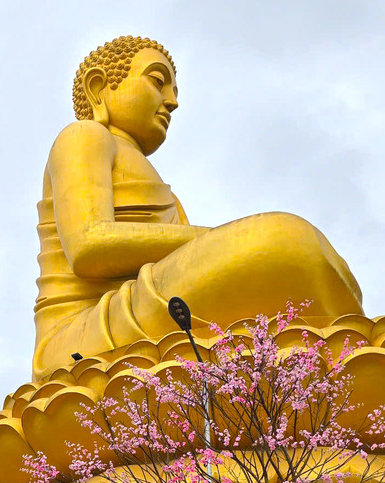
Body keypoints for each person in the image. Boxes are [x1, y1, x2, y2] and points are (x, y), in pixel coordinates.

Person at [31, 35, 362, 379]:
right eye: (158, 82)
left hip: (153, 307)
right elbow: (88, 245)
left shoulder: (170, 197)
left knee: (297, 256)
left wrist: (221, 244)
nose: (171, 102)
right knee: (286, 239)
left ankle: (341, 355)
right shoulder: (83, 136)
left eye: (173, 90)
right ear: (98, 87)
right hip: (84, 334)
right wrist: (222, 239)